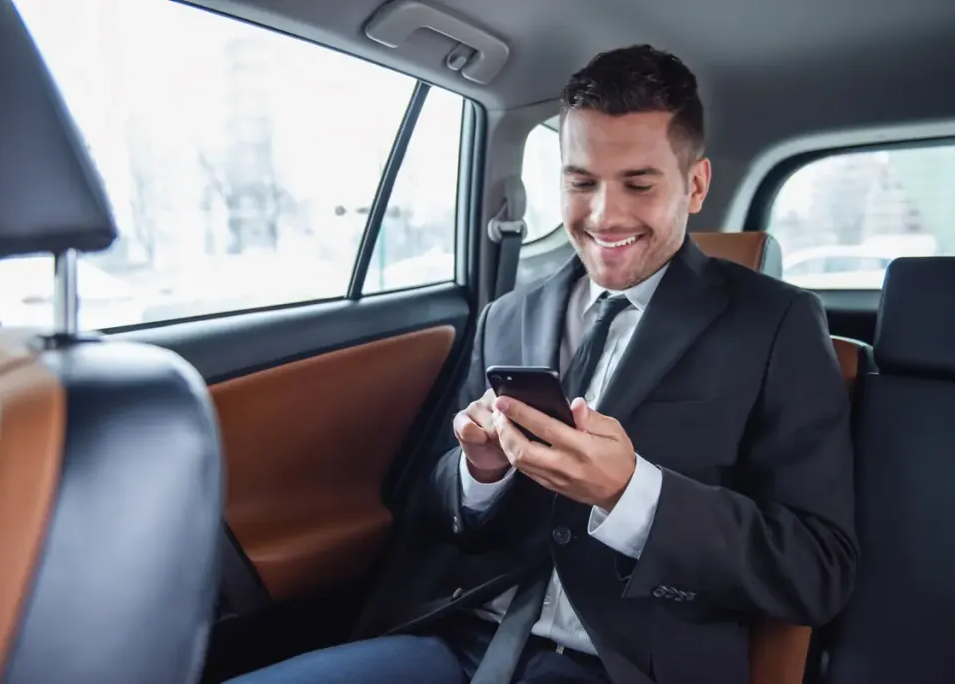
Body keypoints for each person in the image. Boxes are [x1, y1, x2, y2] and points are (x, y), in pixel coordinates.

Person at [228, 44, 858, 684]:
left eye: (638, 184)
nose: (604, 215)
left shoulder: (776, 324)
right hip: (462, 636)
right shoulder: (508, 316)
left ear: (694, 186)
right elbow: (437, 506)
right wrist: (480, 470)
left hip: (624, 664)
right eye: (581, 183)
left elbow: (817, 570)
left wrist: (630, 492)